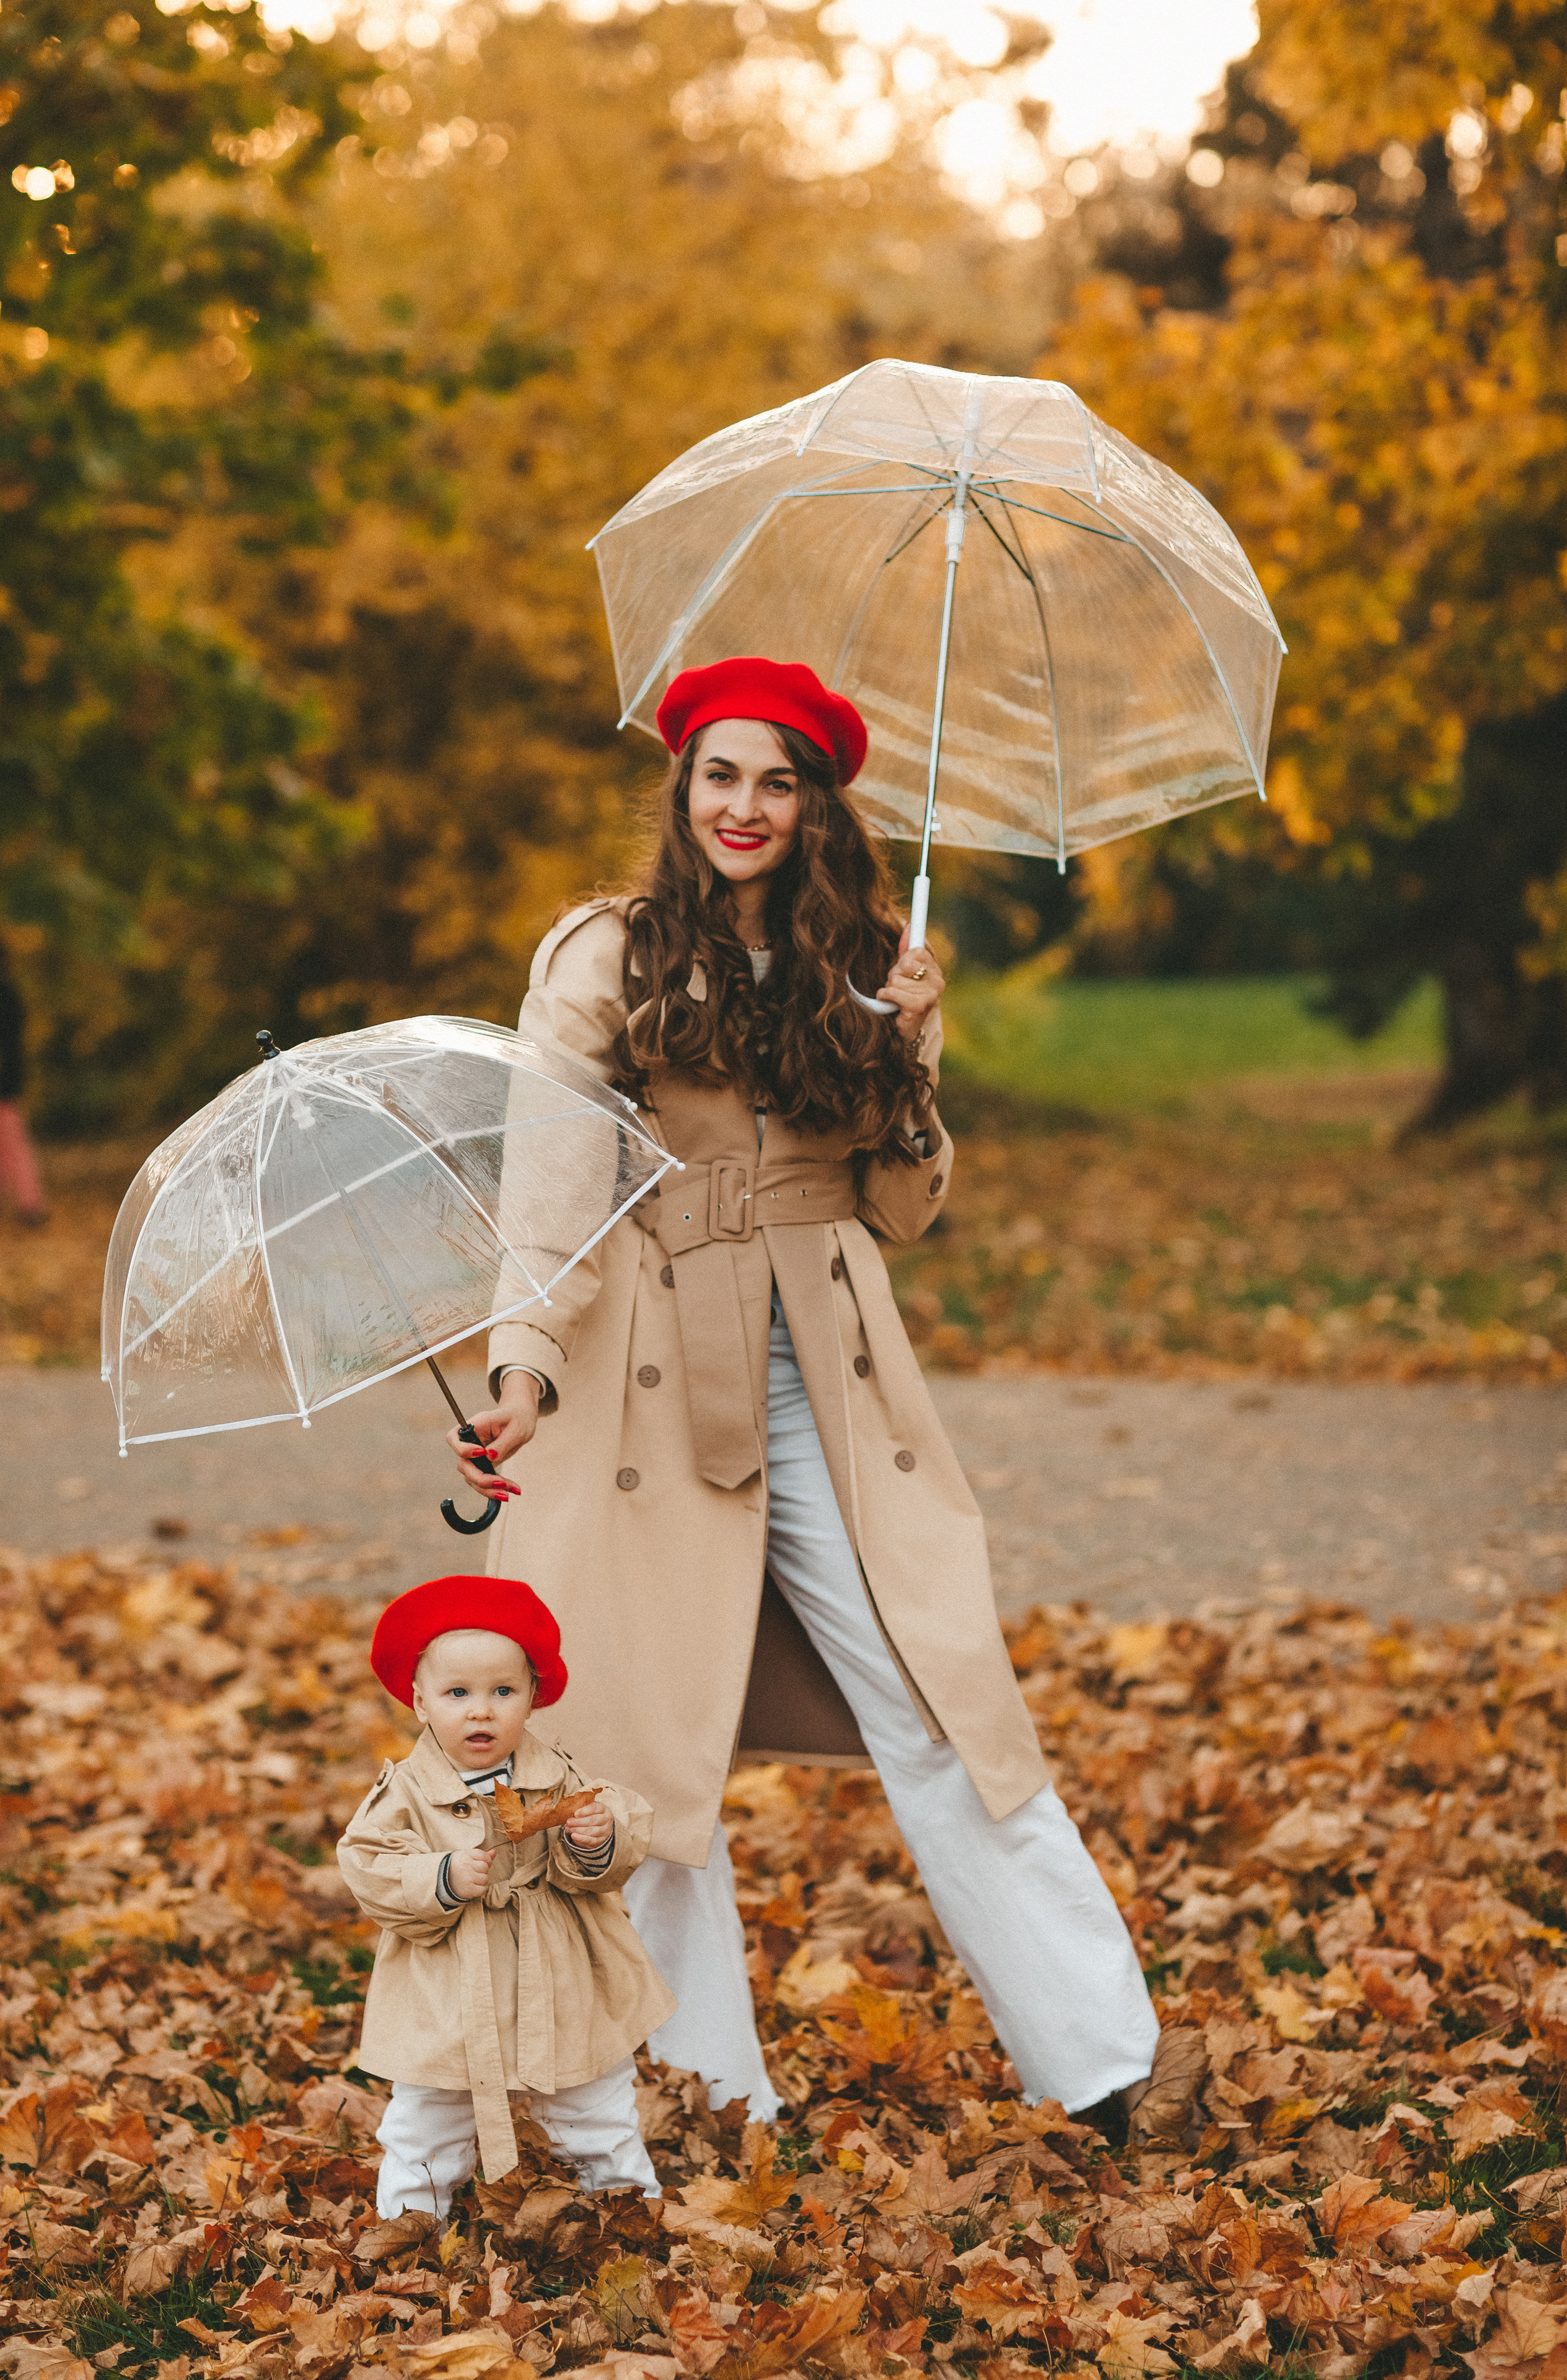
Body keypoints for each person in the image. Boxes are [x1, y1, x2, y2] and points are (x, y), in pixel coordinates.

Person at [450, 656, 1159, 2130]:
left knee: (941, 1699)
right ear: (682, 786)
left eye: (777, 780)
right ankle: (699, 2085)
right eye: (720, 774)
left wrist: (905, 1042)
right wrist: (518, 1364)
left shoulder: (874, 954)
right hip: (642, 1386)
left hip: (827, 1382)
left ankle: (1103, 2060)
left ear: (813, 801)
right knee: (646, 1739)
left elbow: (905, 1204)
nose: (744, 806)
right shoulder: (605, 955)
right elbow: (550, 1185)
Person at [337, 1573, 674, 2217]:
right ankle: (410, 2222)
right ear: (420, 1702)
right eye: (457, 1693)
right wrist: (436, 1876)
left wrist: (595, 1839)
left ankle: (627, 2207)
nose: (481, 1710)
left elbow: (612, 1846)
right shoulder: (406, 1790)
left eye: (502, 1691)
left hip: (560, 1967)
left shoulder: (557, 1775)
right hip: (448, 1983)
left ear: (533, 1697)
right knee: (428, 2118)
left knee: (591, 2102)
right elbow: (367, 1862)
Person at [0, 927, 46, 1297]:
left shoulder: (0, 998)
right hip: (4, 1088)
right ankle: (17, 1201)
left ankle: (28, 1203)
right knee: (1, 1146)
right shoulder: (6, 995)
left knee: (5, 1143)